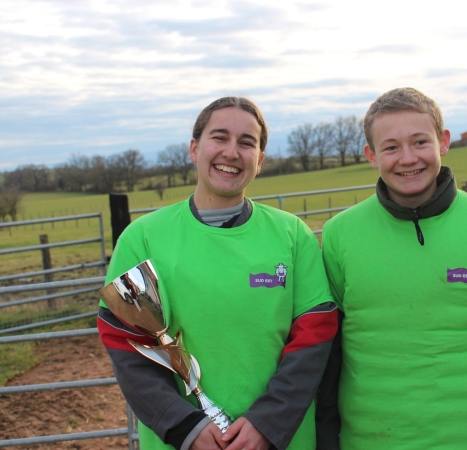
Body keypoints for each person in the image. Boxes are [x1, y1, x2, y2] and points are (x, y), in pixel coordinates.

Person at [316, 88, 467, 450]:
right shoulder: (338, 234)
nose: (408, 158)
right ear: (371, 155)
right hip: (371, 440)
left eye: (419, 142)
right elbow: (328, 355)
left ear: (443, 142)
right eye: (391, 147)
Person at [98, 97, 337, 450]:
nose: (231, 152)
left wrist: (268, 423)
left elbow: (314, 338)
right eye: (219, 137)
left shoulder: (293, 235)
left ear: (260, 161)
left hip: (279, 440)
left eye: (246, 142)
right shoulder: (143, 237)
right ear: (195, 149)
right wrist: (185, 427)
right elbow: (125, 342)